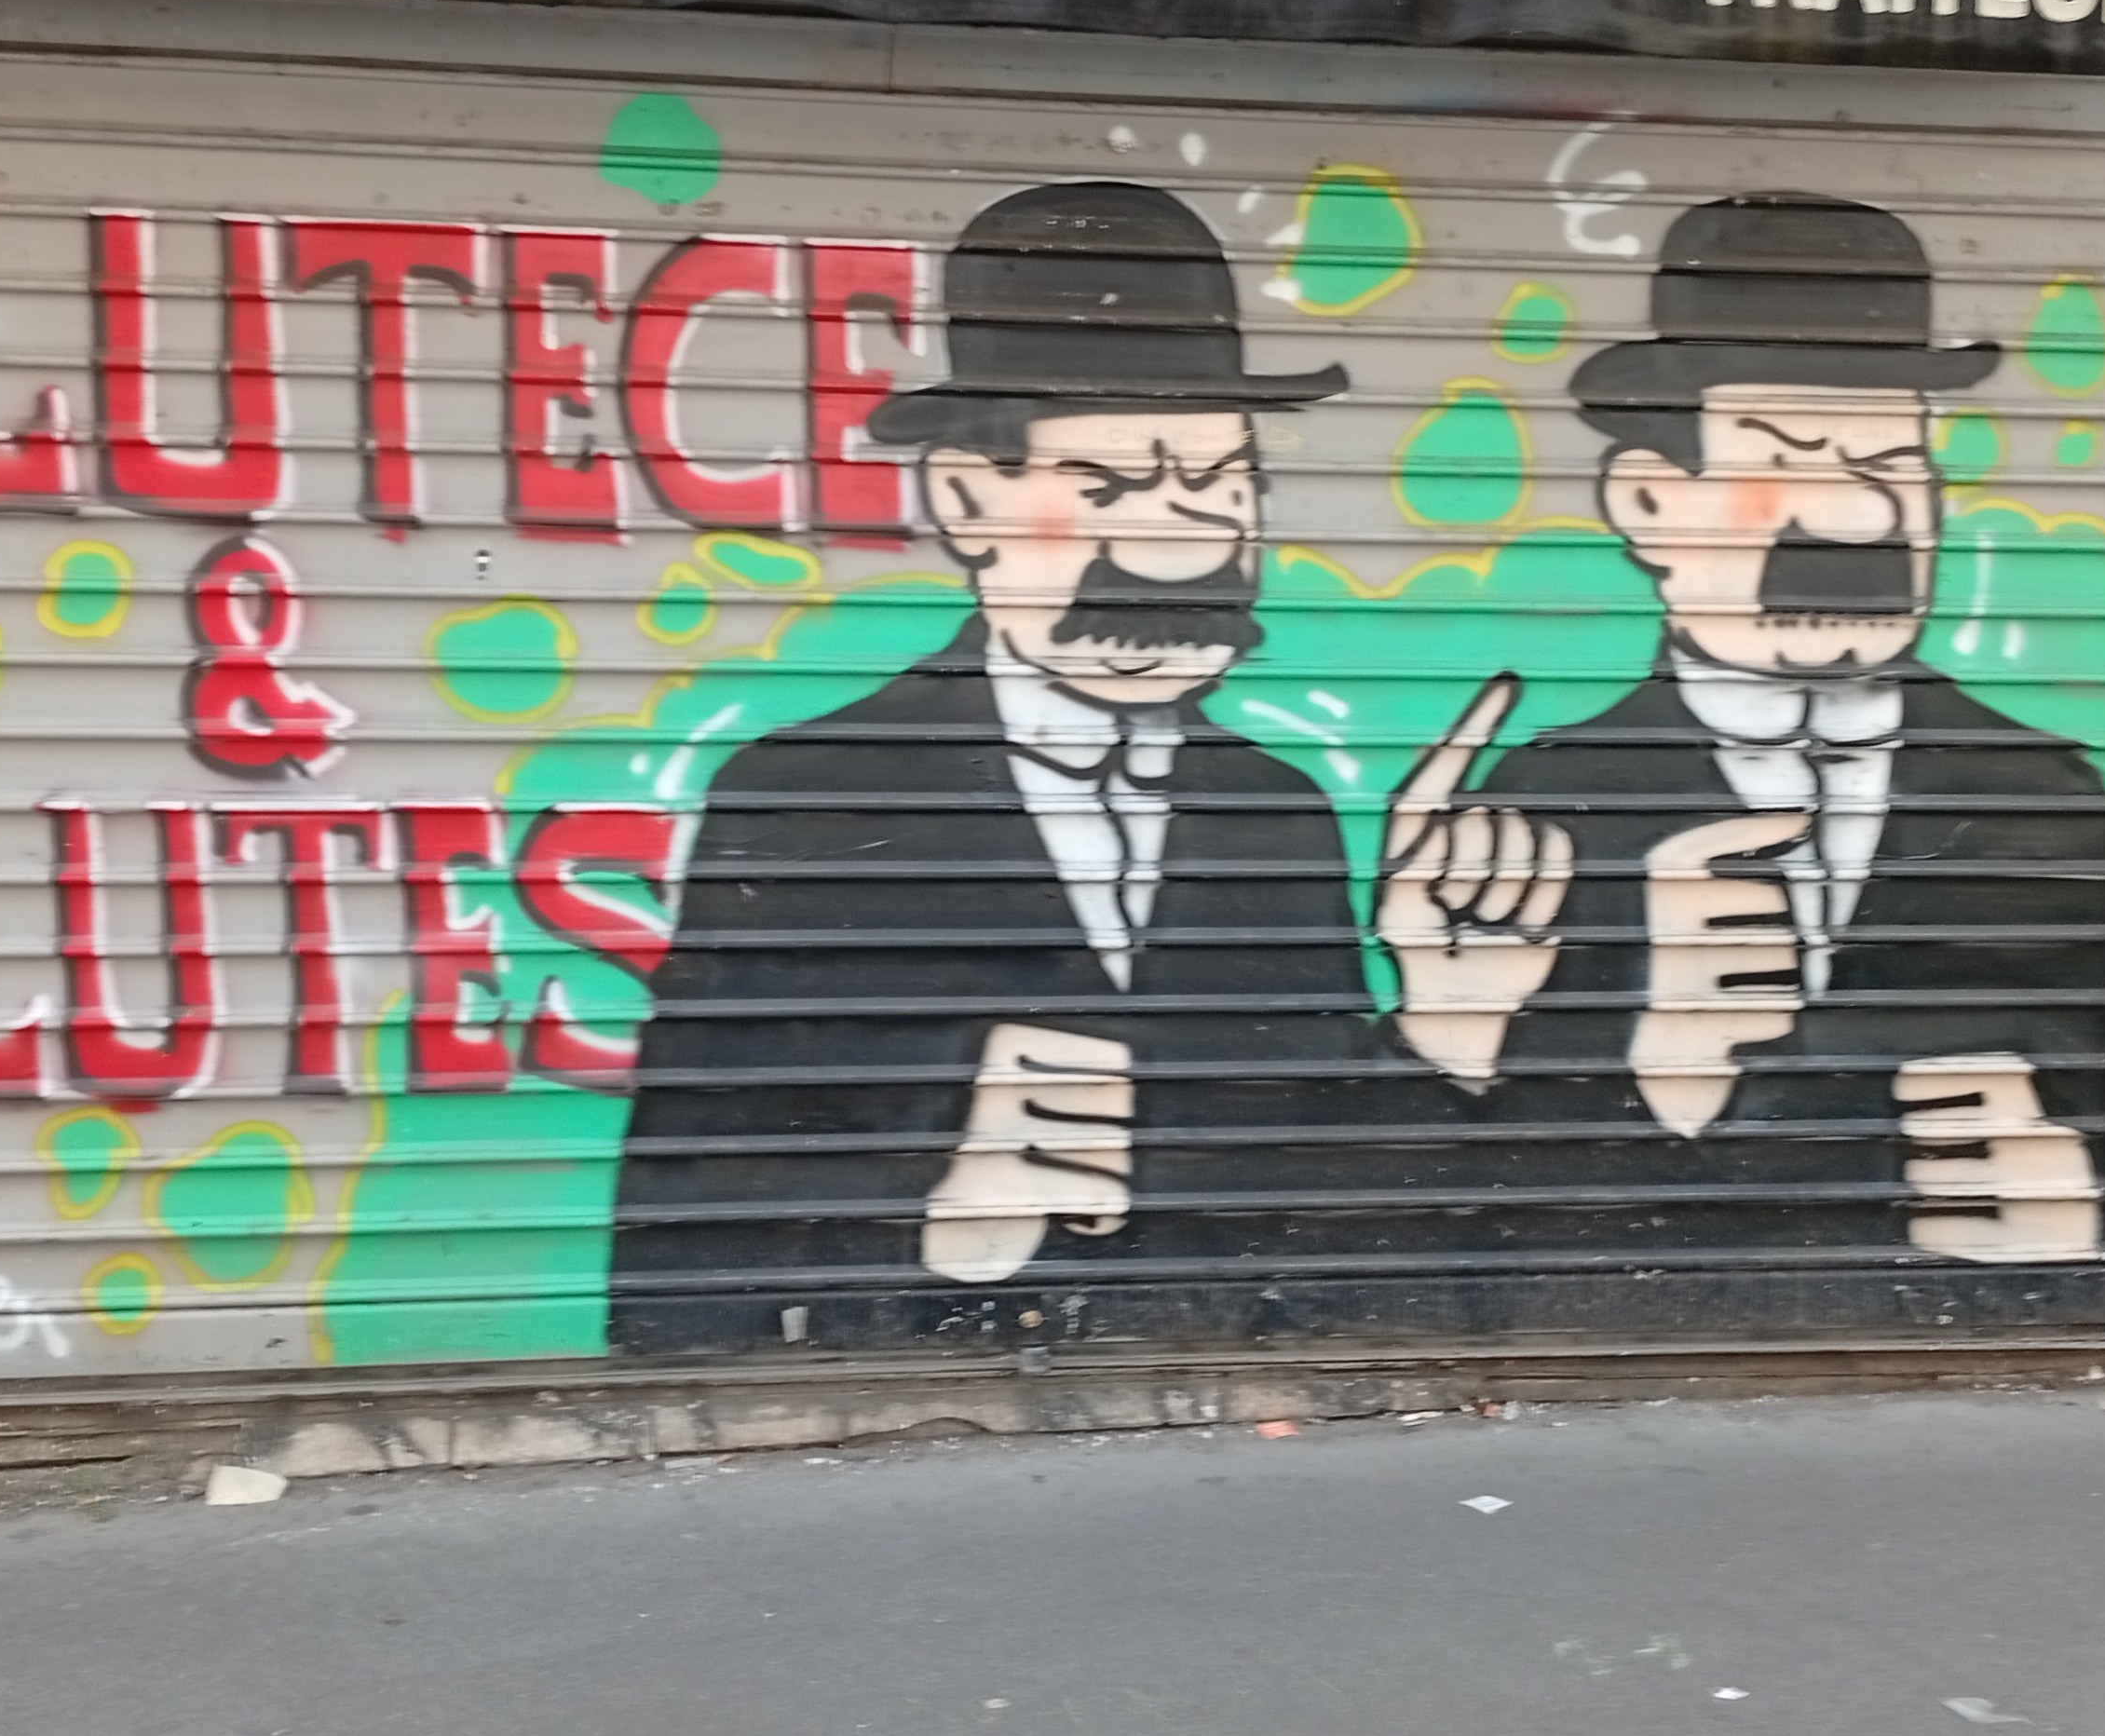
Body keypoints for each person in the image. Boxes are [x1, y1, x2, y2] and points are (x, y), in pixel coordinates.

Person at [607, 182, 1493, 1354]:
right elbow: (679, 1256)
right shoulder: (804, 800)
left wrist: (1438, 1028)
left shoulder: (1275, 811)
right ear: (966, 498)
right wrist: (933, 1212)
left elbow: (1331, 1211)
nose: (1182, 543)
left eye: (1220, 484)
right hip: (927, 1415)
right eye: (1110, 487)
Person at [1378, 192, 2105, 1268]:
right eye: (1787, 461)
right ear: (1647, 503)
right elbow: (1467, 1212)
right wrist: (1574, 1067)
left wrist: (2075, 1204)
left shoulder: (2046, 798)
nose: (1861, 515)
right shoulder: (1538, 814)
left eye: (1892, 464)